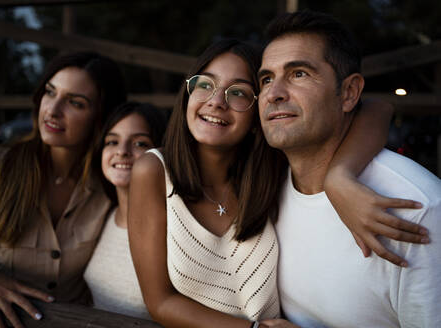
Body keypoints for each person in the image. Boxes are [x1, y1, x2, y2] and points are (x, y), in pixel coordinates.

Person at [127, 38, 425, 328]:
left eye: (238, 93)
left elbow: (378, 108)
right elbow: (160, 302)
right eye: (204, 85)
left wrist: (339, 178)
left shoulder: (271, 170)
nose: (216, 102)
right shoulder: (154, 171)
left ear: (259, 111)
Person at [258, 11, 441, 327]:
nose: (274, 94)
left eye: (299, 73)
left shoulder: (417, 210)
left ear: (349, 93)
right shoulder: (263, 184)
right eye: (266, 79)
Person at [0, 51, 126, 328]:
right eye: (50, 92)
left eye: (75, 103)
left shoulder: (110, 187)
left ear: (101, 118)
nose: (53, 110)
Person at [84, 102, 166, 319]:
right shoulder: (104, 215)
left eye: (139, 143)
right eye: (112, 141)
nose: (122, 151)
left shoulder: (172, 225)